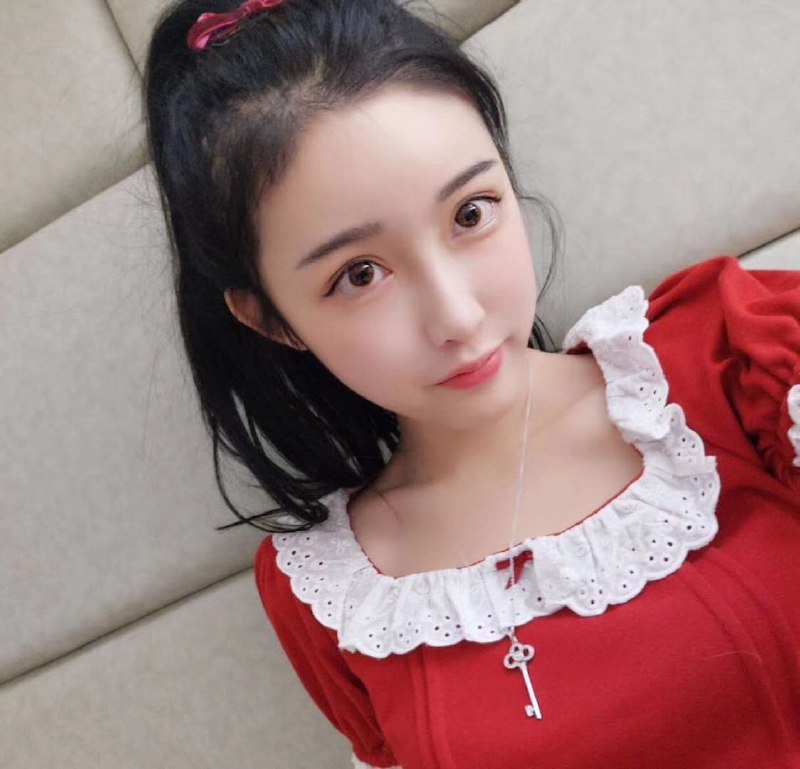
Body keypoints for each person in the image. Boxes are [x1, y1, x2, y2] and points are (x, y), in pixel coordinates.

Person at [143, 1, 800, 767]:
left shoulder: (737, 357)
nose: (457, 315)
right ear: (273, 321)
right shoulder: (330, 599)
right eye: (360, 274)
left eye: (471, 213)